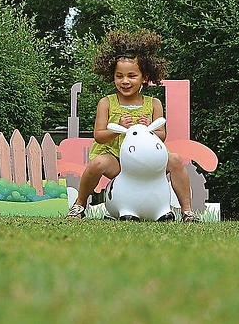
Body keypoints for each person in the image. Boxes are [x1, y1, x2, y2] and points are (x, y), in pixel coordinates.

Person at [66, 29, 200, 222]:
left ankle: (187, 211)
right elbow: (98, 135)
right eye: (119, 76)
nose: (125, 81)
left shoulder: (153, 103)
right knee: (97, 164)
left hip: (146, 160)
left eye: (131, 76)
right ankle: (79, 204)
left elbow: (162, 135)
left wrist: (150, 130)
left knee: (176, 159)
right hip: (117, 159)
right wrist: (116, 127)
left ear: (144, 77)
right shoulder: (107, 102)